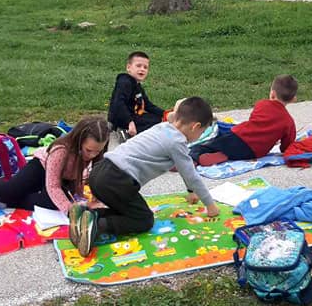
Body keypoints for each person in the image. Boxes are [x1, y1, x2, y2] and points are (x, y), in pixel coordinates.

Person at [69, 97, 220, 257]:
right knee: (143, 220)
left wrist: (191, 191)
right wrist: (210, 205)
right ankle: (98, 225)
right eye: (202, 132)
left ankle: (86, 215)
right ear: (195, 126)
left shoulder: (163, 127)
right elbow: (191, 175)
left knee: (125, 209)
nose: (200, 136)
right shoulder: (177, 143)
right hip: (117, 181)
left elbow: (184, 170)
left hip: (99, 172)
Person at [0, 116, 109, 212]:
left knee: (53, 203)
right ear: (79, 140)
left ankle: (4, 202)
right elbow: (53, 186)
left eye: (97, 151)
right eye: (89, 150)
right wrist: (70, 210)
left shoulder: (96, 152)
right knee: (11, 190)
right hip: (41, 168)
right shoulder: (61, 149)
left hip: (65, 177)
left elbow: (96, 178)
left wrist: (95, 199)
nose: (92, 155)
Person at [190, 75, 298, 166]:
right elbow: (287, 146)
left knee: (204, 146)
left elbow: (255, 123)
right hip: (256, 152)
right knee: (231, 148)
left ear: (272, 94)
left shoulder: (262, 104)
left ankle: (194, 159)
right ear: (293, 99)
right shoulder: (289, 122)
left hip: (239, 138)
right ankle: (225, 155)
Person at [107, 51, 166, 138]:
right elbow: (119, 103)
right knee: (156, 123)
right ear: (128, 67)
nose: (142, 69)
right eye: (138, 66)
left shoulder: (137, 85)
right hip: (121, 119)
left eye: (145, 67)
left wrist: (165, 114)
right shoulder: (124, 82)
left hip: (134, 116)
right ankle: (123, 133)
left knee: (159, 119)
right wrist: (129, 122)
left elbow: (148, 105)